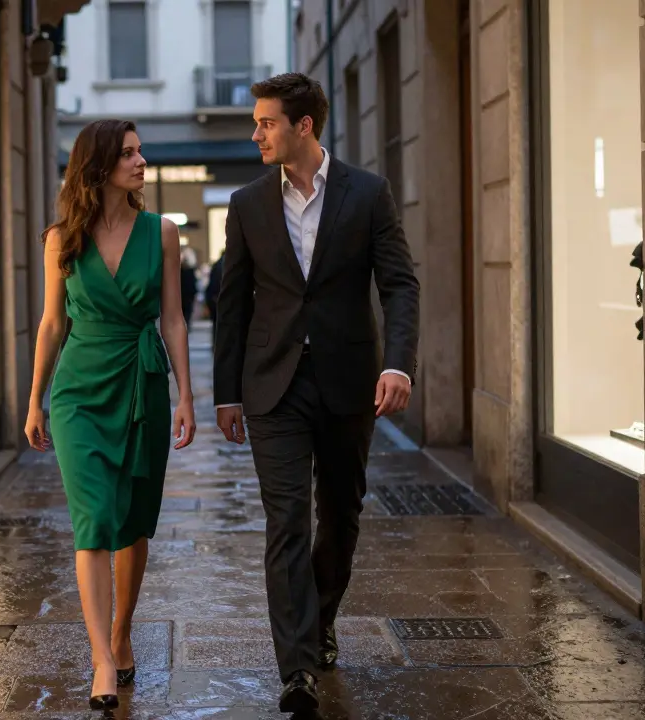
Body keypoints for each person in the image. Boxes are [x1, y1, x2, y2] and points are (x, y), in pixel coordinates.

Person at [212, 73, 420, 714]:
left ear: (303, 126)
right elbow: (232, 303)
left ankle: (321, 619)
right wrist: (226, 393)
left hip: (348, 381)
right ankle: (297, 667)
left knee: (341, 516)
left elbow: (399, 286)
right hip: (272, 384)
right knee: (286, 523)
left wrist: (399, 366)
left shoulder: (368, 194)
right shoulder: (247, 203)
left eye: (266, 122)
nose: (256, 134)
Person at [25, 119, 197, 712]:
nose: (141, 161)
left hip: (142, 382)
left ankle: (122, 631)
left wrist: (186, 395)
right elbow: (52, 324)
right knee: (94, 519)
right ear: (98, 166)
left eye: (140, 151)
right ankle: (102, 655)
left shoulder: (163, 232)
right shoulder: (60, 239)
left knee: (133, 521)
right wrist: (35, 398)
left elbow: (173, 319)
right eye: (128, 153)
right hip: (78, 391)